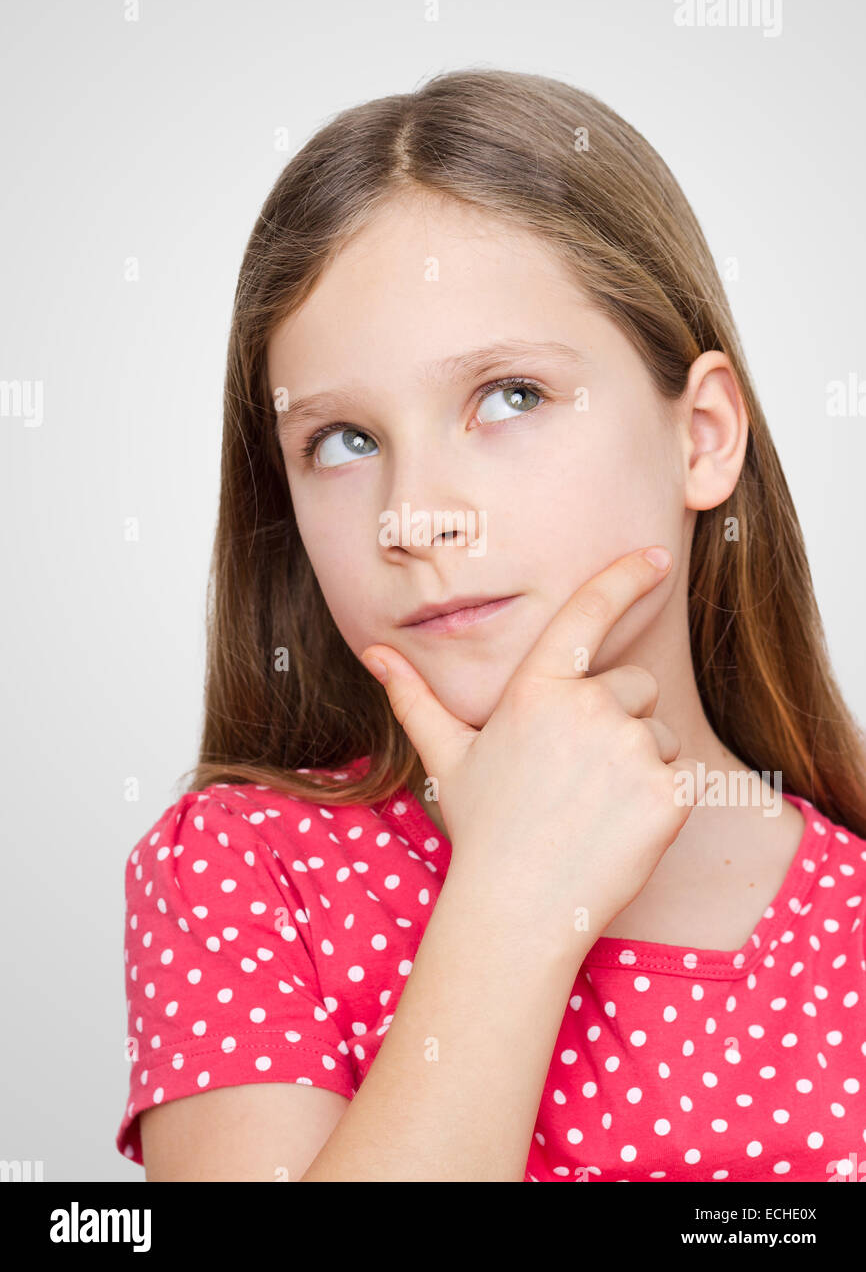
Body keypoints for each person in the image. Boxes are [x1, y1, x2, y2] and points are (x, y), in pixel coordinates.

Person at [116, 68, 866, 1182]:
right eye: (343, 441)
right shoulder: (241, 872)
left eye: (509, 395)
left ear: (701, 436)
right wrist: (513, 897)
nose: (414, 517)